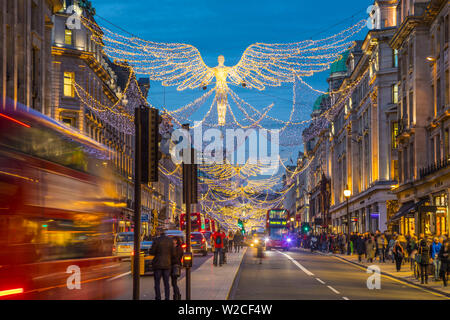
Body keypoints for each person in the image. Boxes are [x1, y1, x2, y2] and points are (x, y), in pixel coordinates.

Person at [149, 231, 175, 300]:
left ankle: (158, 297)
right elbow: (173, 253)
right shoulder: (170, 241)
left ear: (160, 234)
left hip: (157, 264)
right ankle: (167, 297)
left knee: (157, 283)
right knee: (166, 283)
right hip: (167, 264)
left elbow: (151, 252)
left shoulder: (156, 240)